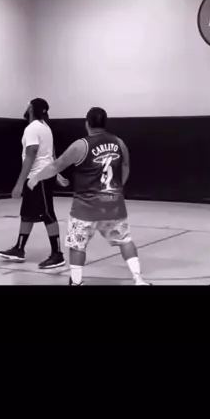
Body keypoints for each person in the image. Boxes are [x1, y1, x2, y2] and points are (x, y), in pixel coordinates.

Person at [28, 107, 152, 285]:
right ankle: (138, 278)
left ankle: (76, 282)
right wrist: (117, 188)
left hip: (85, 208)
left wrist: (35, 178)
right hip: (114, 205)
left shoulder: (81, 145)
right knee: (125, 241)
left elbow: (57, 165)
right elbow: (125, 166)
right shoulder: (119, 142)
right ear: (105, 123)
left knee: (77, 245)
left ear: (87, 123)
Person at [0, 98, 69, 269]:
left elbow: (31, 154)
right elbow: (51, 154)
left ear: (31, 108)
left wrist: (19, 183)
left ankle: (57, 254)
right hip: (42, 176)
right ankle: (19, 248)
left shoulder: (32, 128)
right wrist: (57, 174)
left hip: (39, 177)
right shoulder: (46, 128)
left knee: (47, 213)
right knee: (27, 213)